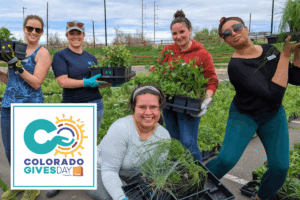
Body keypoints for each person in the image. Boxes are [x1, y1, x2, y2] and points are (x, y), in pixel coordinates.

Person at [205, 17, 300, 200]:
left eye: (237, 27)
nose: (233, 33)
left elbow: (296, 78)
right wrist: (285, 56)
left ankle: (261, 197)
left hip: (272, 115)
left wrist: (296, 54)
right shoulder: (236, 66)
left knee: (280, 168)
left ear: (246, 29)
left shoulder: (268, 50)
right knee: (226, 159)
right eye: (227, 33)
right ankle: (196, 182)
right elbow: (273, 94)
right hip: (244, 115)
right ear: (225, 41)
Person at [46, 20, 117, 198]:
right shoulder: (61, 56)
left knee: (88, 146)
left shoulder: (91, 58)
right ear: (67, 36)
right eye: (72, 33)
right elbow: (62, 81)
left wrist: (111, 83)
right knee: (65, 145)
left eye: (78, 33)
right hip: (72, 106)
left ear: (84, 36)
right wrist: (86, 82)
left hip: (95, 105)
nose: (75, 36)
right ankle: (59, 181)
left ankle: (84, 177)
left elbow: (95, 84)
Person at [150, 10, 219, 162]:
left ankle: (198, 175)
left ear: (190, 31)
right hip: (168, 102)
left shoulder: (202, 54)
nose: (178, 36)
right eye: (174, 33)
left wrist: (206, 101)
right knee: (174, 141)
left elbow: (212, 80)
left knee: (188, 142)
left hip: (189, 104)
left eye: (182, 32)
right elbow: (155, 70)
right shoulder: (167, 51)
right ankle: (182, 173)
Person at [85, 85, 171, 200]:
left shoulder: (163, 136)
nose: (148, 112)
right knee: (113, 197)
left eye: (153, 107)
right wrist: (121, 198)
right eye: (142, 107)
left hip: (130, 173)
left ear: (160, 108)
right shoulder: (121, 129)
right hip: (99, 169)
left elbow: (155, 172)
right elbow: (109, 170)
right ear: (134, 107)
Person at [1, 14, 51, 200]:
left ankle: (33, 187)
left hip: (30, 107)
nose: (33, 32)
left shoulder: (42, 53)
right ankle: (19, 183)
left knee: (29, 150)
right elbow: (11, 81)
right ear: (24, 29)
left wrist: (18, 66)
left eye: (37, 30)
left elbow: (36, 83)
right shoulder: (14, 50)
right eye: (30, 28)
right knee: (10, 149)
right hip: (8, 105)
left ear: (41, 32)